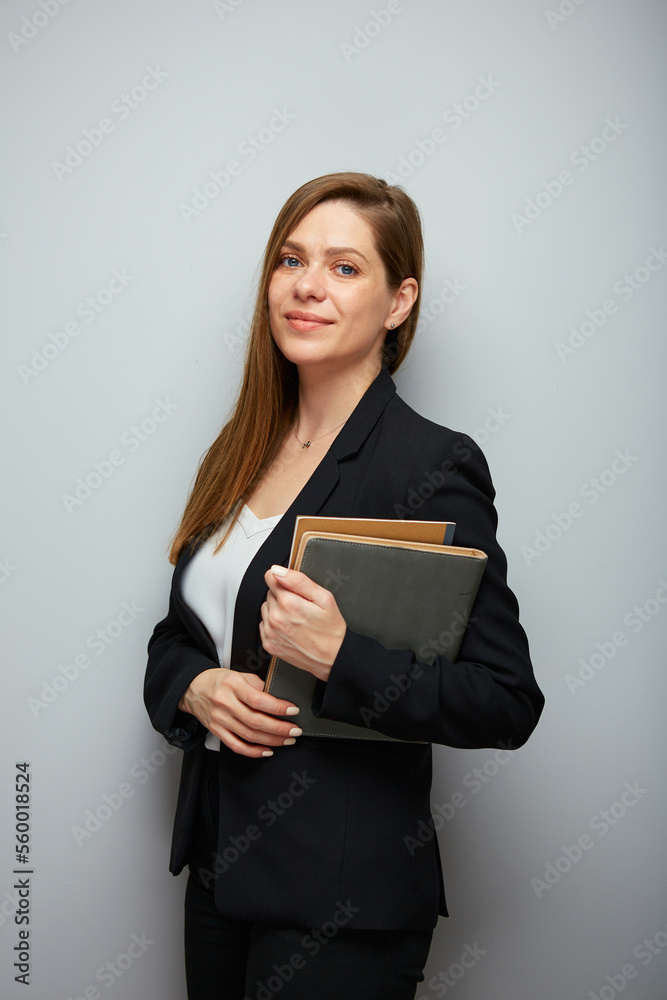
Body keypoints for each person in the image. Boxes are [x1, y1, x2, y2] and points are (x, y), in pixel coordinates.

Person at [144, 171, 544, 1000]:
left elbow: (506, 699)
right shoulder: (239, 449)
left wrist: (339, 655)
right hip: (219, 871)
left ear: (398, 303)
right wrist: (195, 687)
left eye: (344, 267)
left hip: (341, 897)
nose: (307, 285)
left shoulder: (430, 466)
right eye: (291, 259)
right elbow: (176, 636)